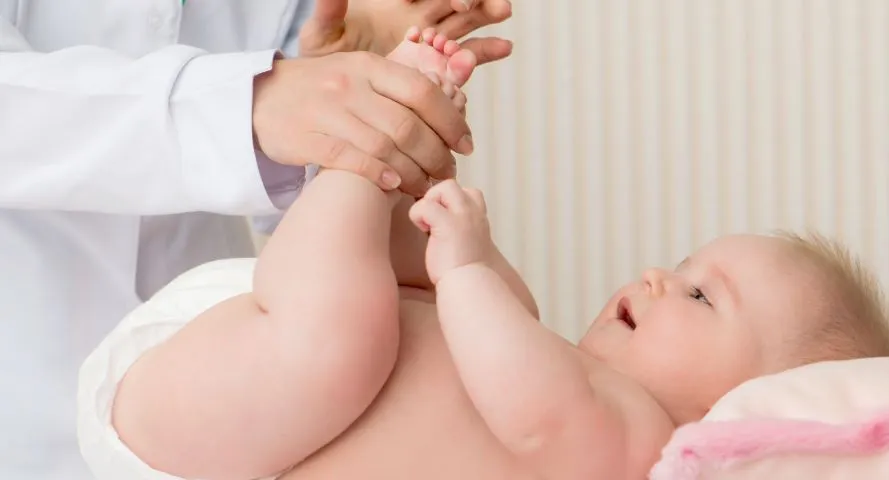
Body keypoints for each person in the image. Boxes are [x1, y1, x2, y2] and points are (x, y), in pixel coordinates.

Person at [78, 167, 889, 476]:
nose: (657, 276)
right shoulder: (571, 371)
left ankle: (363, 163)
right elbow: (507, 360)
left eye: (698, 297)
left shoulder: (634, 445)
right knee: (484, 313)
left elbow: (535, 417)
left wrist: (466, 265)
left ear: (735, 407)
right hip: (244, 350)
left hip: (204, 425)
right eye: (681, 266)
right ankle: (392, 164)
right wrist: (465, 257)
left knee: (346, 342)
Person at [0, 0, 512, 477]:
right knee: (367, 326)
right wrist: (254, 102)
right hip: (45, 364)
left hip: (220, 361)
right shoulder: (574, 406)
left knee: (374, 317)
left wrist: (354, 78)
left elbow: (281, 172)